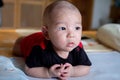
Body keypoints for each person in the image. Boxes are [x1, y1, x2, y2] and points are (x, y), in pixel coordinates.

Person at [13, 0, 92, 80]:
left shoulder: (78, 48)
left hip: (46, 36)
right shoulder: (39, 49)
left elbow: (86, 66)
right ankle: (21, 39)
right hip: (30, 41)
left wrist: (73, 71)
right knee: (17, 48)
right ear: (46, 33)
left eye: (77, 28)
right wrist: (47, 72)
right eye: (62, 28)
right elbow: (29, 69)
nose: (72, 35)